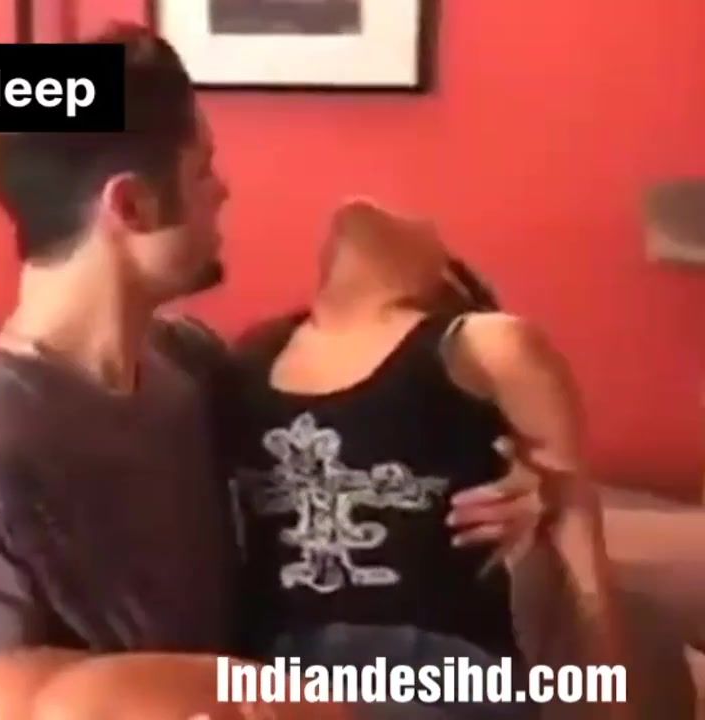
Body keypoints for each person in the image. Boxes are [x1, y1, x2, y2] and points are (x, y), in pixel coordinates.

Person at [0, 26, 548, 720]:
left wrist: (526, 485)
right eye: (203, 170)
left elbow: (355, 448)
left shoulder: (189, 363)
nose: (223, 192)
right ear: (131, 206)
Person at [228, 200, 627, 718]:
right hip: (274, 671)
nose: (367, 209)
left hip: (435, 671)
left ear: (440, 274)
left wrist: (612, 704)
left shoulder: (482, 345)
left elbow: (580, 542)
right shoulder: (246, 357)